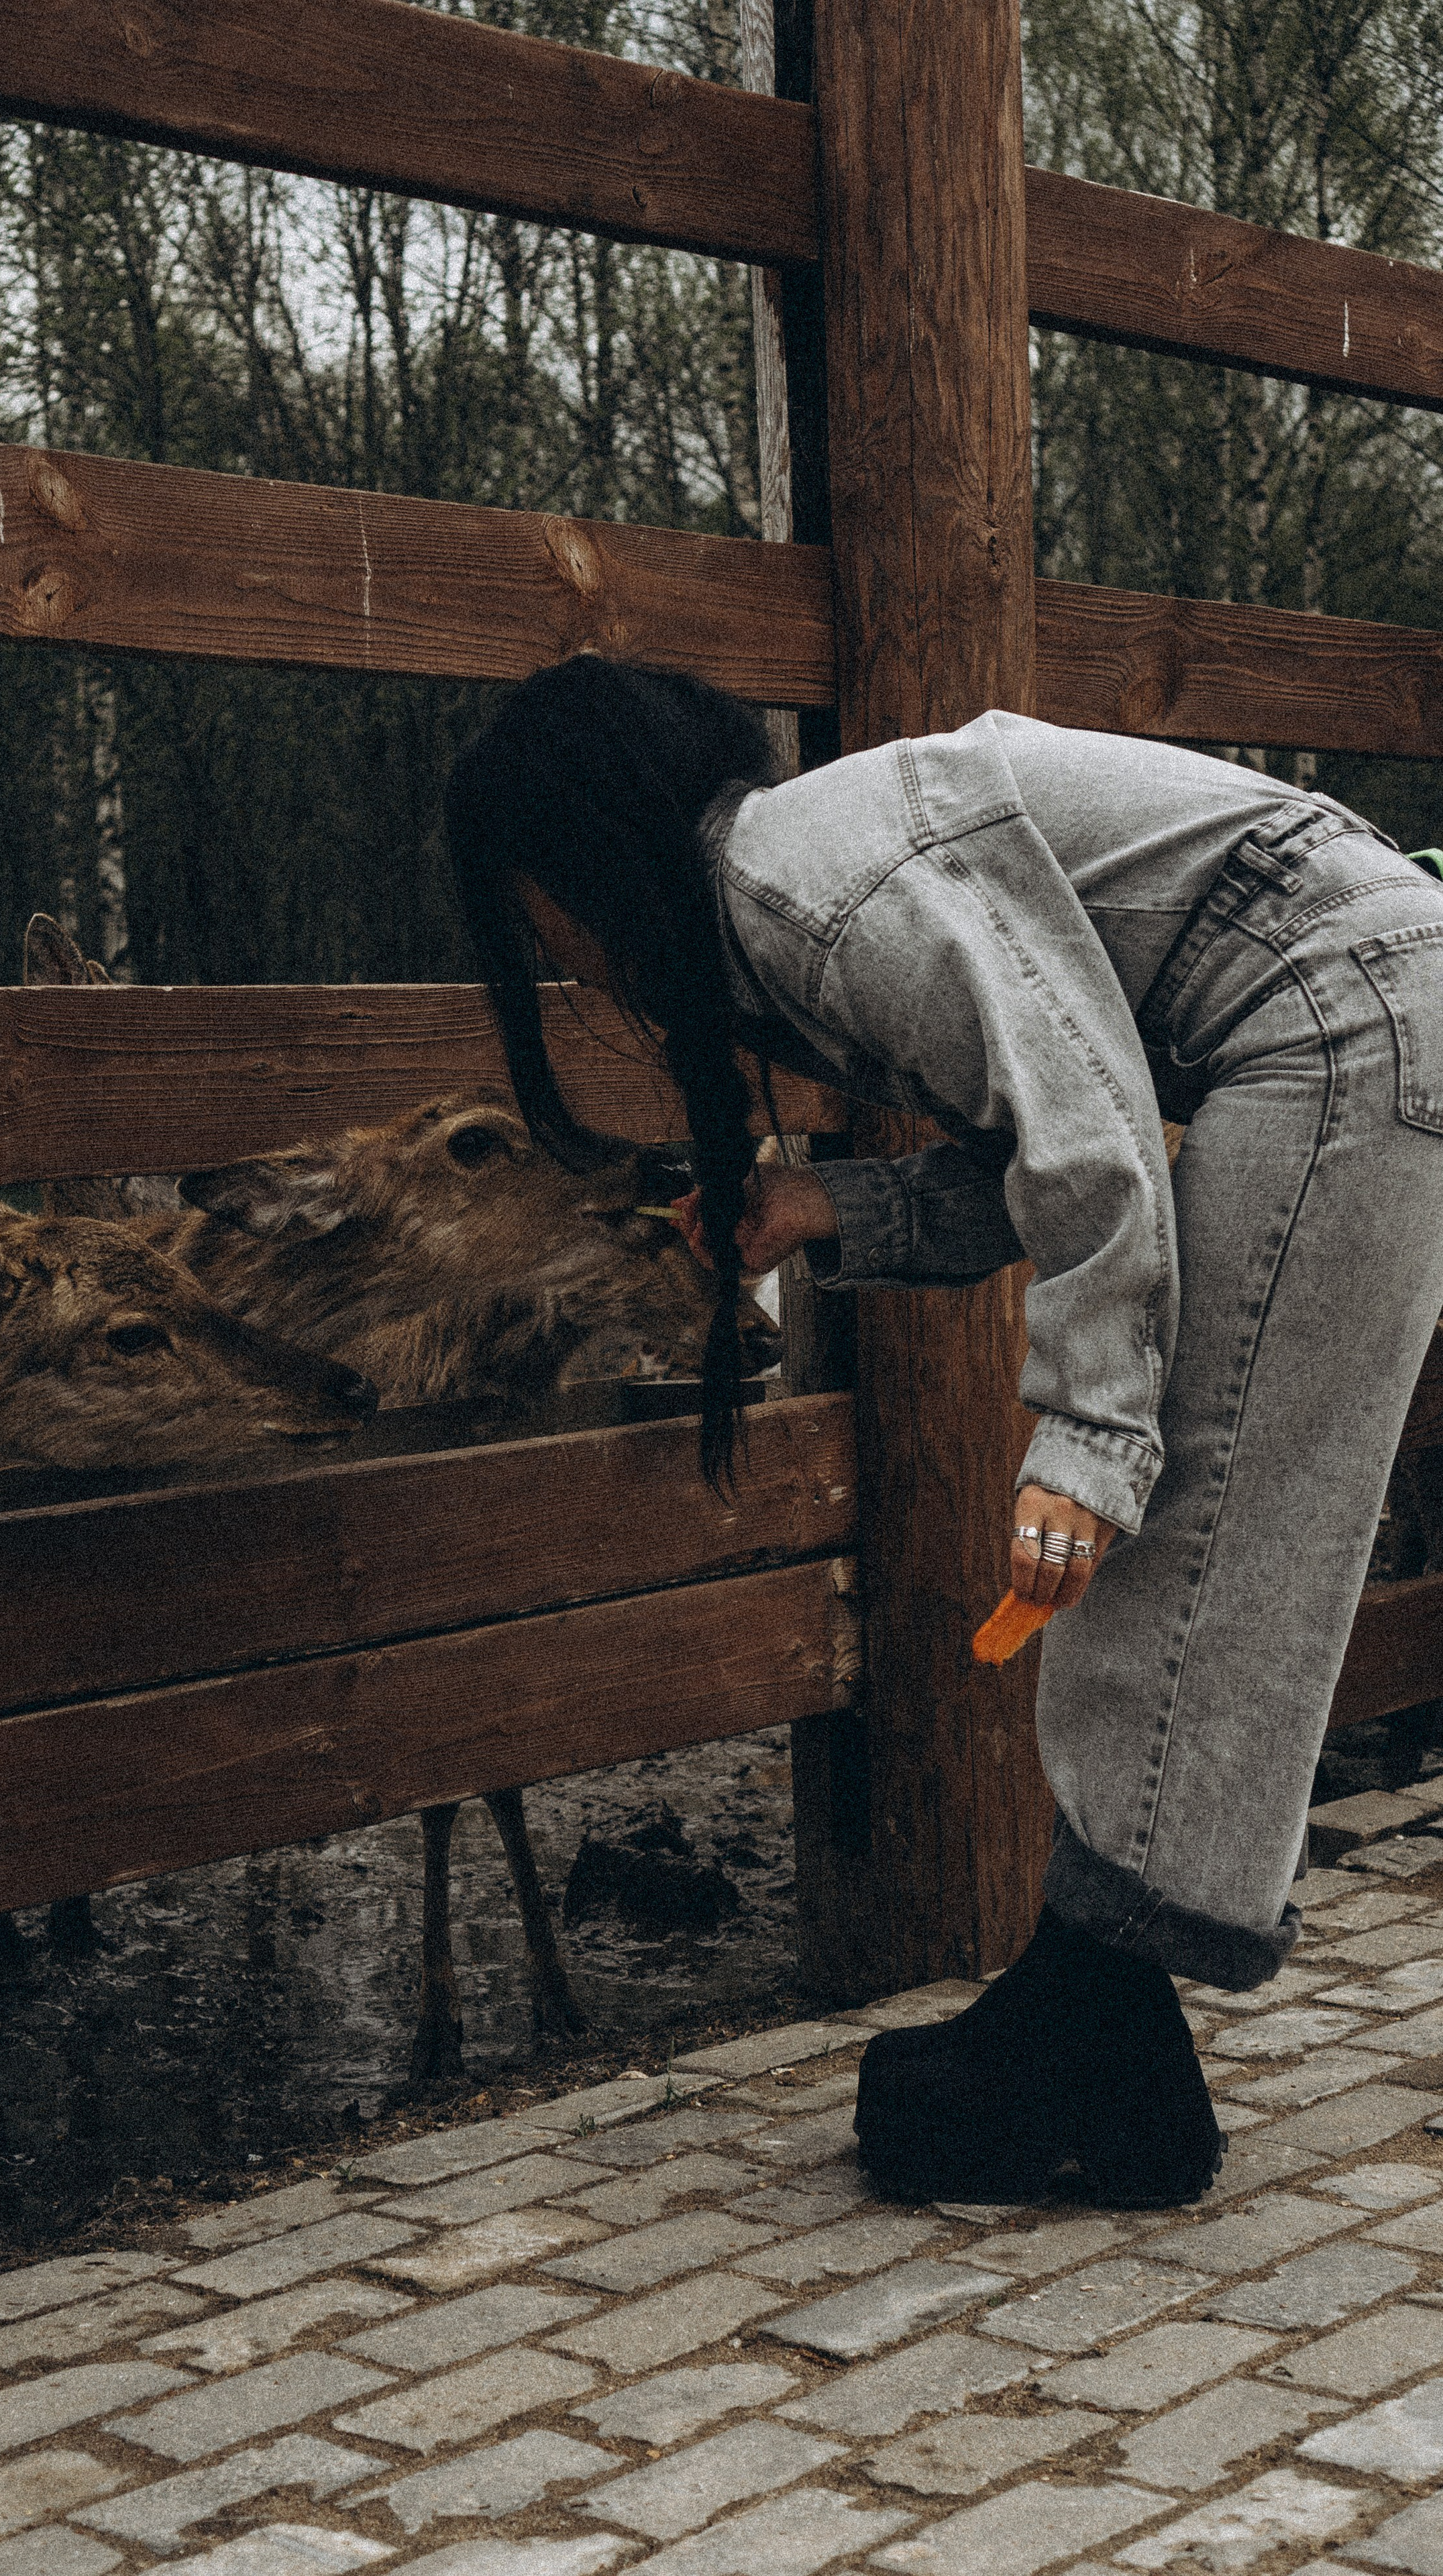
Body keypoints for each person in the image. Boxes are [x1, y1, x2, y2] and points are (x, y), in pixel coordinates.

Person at [444, 654, 1443, 2208]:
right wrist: (823, 1204)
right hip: (1359, 1004)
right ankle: (1110, 2063)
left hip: (1341, 1014)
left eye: (530, 913)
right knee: (1221, 1529)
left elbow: (1092, 1132)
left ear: (582, 849)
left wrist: (1087, 1437)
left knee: (1198, 1521)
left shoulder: (799, 881)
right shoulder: (813, 880)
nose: (555, 960)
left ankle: (1075, 2029)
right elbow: (1056, 1124)